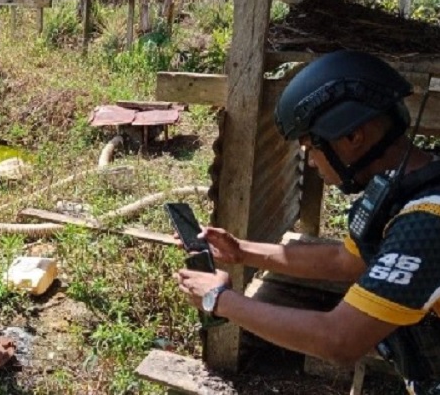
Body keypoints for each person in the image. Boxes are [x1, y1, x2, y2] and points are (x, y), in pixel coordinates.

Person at [176, 50, 440, 395]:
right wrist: (242, 251)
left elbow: (339, 340)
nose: (311, 161)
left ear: (352, 136)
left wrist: (220, 300)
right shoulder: (405, 189)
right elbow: (344, 261)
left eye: (310, 146)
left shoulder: (426, 222)